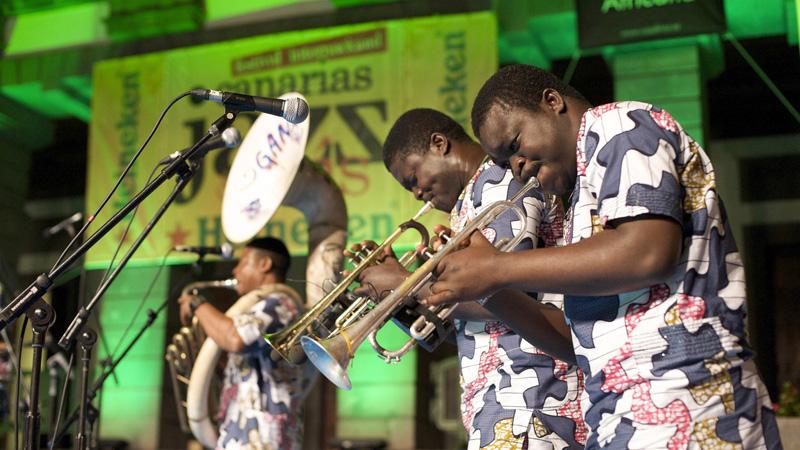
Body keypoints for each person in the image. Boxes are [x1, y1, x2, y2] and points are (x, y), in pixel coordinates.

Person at [424, 64, 782, 448]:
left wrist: (498, 268)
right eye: (505, 163)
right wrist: (488, 286)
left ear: (551, 102)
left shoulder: (618, 124)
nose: (517, 167)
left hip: (693, 400)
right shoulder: (581, 207)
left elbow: (648, 252)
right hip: (617, 419)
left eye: (514, 146)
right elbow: (575, 345)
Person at [353, 108, 586, 449]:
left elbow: (505, 292)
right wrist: (396, 301)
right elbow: (473, 323)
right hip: (502, 402)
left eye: (413, 177)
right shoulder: (467, 208)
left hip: (533, 398)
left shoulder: (500, 182)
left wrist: (407, 286)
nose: (415, 193)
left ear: (439, 144)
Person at [179, 237, 315, 450]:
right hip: (243, 435)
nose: (235, 270)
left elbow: (236, 339)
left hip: (264, 437)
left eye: (242, 262)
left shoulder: (280, 303)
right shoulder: (261, 306)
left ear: (265, 264)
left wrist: (197, 304)